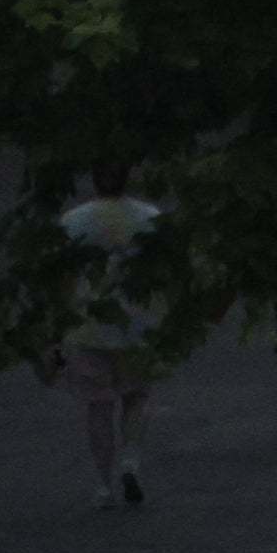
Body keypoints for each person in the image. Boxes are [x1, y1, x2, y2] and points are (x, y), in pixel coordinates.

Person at [57, 173, 162, 508]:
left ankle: (103, 484)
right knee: (138, 396)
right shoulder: (149, 218)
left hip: (87, 323)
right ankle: (130, 459)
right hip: (136, 321)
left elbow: (61, 275)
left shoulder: (73, 221)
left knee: (98, 406)